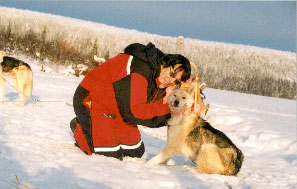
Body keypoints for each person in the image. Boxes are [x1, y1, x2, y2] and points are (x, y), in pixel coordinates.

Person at [70, 42, 191, 160]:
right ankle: (79, 126)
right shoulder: (141, 69)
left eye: (176, 81)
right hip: (93, 100)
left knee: (134, 152)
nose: (171, 80)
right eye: (172, 73)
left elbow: (150, 110)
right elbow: (136, 112)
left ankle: (100, 129)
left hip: (119, 109)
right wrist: (170, 110)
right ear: (164, 63)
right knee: (109, 155)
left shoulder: (159, 81)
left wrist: (176, 103)